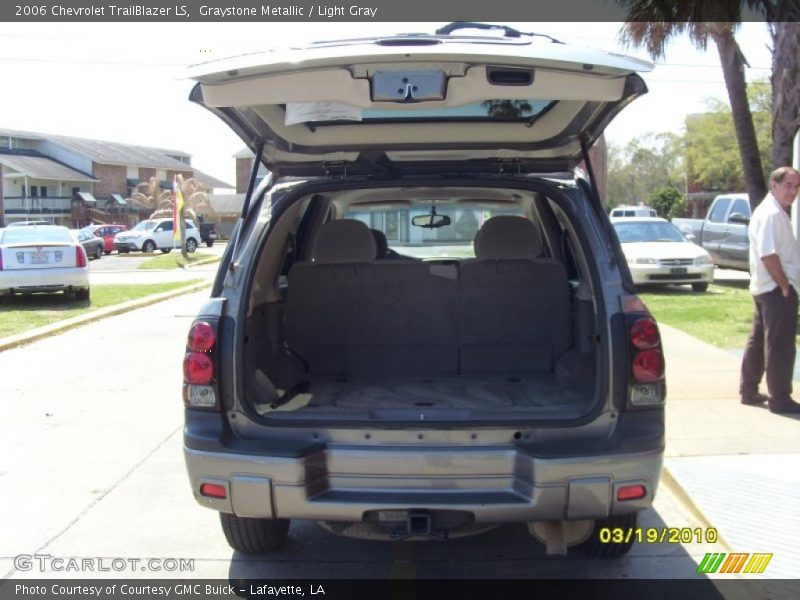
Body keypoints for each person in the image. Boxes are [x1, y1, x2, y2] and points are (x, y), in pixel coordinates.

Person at [740, 166, 800, 414]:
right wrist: (784, 285)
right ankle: (780, 398)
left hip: (766, 288)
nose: (792, 192)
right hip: (775, 290)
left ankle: (749, 391)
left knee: (759, 341)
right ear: (773, 185)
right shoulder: (771, 214)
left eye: (796, 187)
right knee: (781, 344)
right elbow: (768, 254)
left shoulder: (774, 212)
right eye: (788, 185)